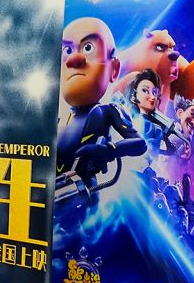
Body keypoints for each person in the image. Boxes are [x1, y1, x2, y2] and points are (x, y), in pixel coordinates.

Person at [58, 18, 147, 182]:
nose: (73, 60)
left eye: (88, 48)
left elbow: (139, 144)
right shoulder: (59, 118)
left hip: (82, 190)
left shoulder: (107, 111)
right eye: (68, 51)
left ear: (114, 69)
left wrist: (108, 150)